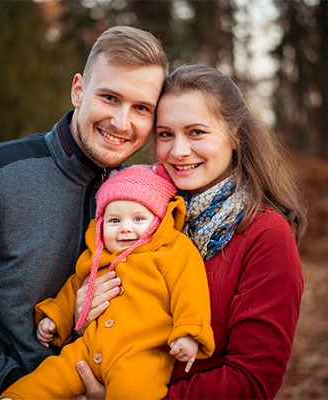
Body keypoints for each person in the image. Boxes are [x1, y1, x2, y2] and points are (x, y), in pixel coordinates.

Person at [0, 26, 168, 399]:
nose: (122, 123)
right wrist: (17, 388)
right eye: (109, 97)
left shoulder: (145, 201)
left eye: (141, 108)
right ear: (78, 90)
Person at [74, 64, 307, 399]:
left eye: (196, 132)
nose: (178, 151)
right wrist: (81, 307)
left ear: (236, 135)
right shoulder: (142, 215)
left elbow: (253, 381)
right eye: (166, 134)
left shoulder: (266, 235)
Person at [0, 164, 215, 400]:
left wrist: (189, 333)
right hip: (88, 347)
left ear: (159, 221)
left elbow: (190, 292)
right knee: (50, 375)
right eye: (114, 221)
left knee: (133, 391)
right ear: (100, 224)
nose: (125, 228)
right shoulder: (96, 257)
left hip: (139, 354)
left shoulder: (174, 251)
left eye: (139, 218)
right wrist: (55, 317)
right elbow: (74, 288)